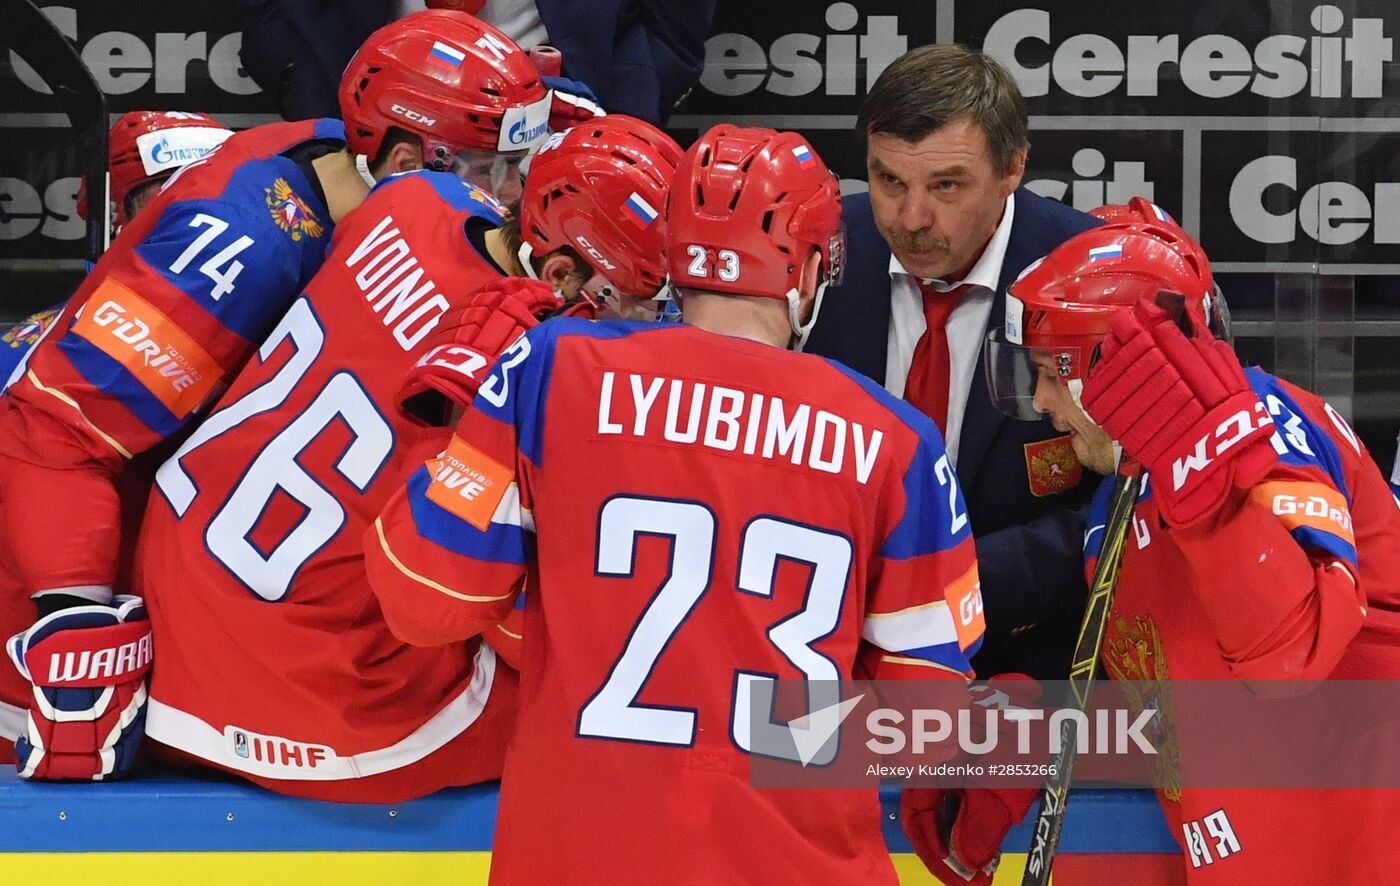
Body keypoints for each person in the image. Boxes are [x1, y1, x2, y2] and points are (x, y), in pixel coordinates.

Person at [363, 125, 984, 884]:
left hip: (578, 861)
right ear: (812, 269)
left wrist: (452, 426)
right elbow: (926, 726)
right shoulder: (898, 441)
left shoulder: (551, 368)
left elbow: (428, 601)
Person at [0, 9, 555, 781]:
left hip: (216, 603)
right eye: (491, 169)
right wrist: (74, 614)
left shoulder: (352, 176)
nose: (510, 196)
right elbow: (54, 430)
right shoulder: (242, 242)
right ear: (400, 153)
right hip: (67, 605)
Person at [122, 116, 680, 802]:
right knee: (653, 697)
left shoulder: (413, 198)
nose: (656, 322)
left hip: (169, 639)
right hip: (318, 707)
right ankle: (841, 775)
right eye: (643, 300)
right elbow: (444, 606)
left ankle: (836, 762)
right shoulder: (553, 376)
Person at [977, 220, 1400, 882]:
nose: (1042, 402)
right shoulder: (1116, 503)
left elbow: (1292, 654)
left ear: (1115, 366)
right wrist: (1031, 740)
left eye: (1050, 374)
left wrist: (1209, 487)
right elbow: (1175, 707)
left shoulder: (1263, 426)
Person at [801, 43, 1103, 680]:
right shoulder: (813, 254)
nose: (910, 219)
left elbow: (1131, 502)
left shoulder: (1090, 273)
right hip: (822, 651)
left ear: (1013, 168)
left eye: (946, 185)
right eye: (888, 180)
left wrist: (944, 584)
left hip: (1026, 659)